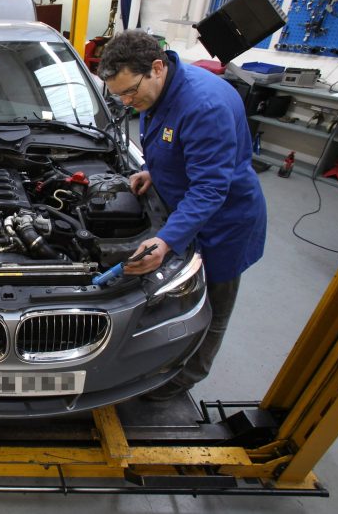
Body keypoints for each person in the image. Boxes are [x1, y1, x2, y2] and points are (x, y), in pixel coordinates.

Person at [98, 30, 267, 401]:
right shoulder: (157, 91)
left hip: (224, 222)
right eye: (119, 95)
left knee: (213, 304)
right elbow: (178, 147)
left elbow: (209, 188)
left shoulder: (204, 106)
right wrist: (155, 172)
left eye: (130, 92)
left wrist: (166, 239)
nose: (127, 101)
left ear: (156, 67)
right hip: (181, 203)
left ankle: (185, 378)